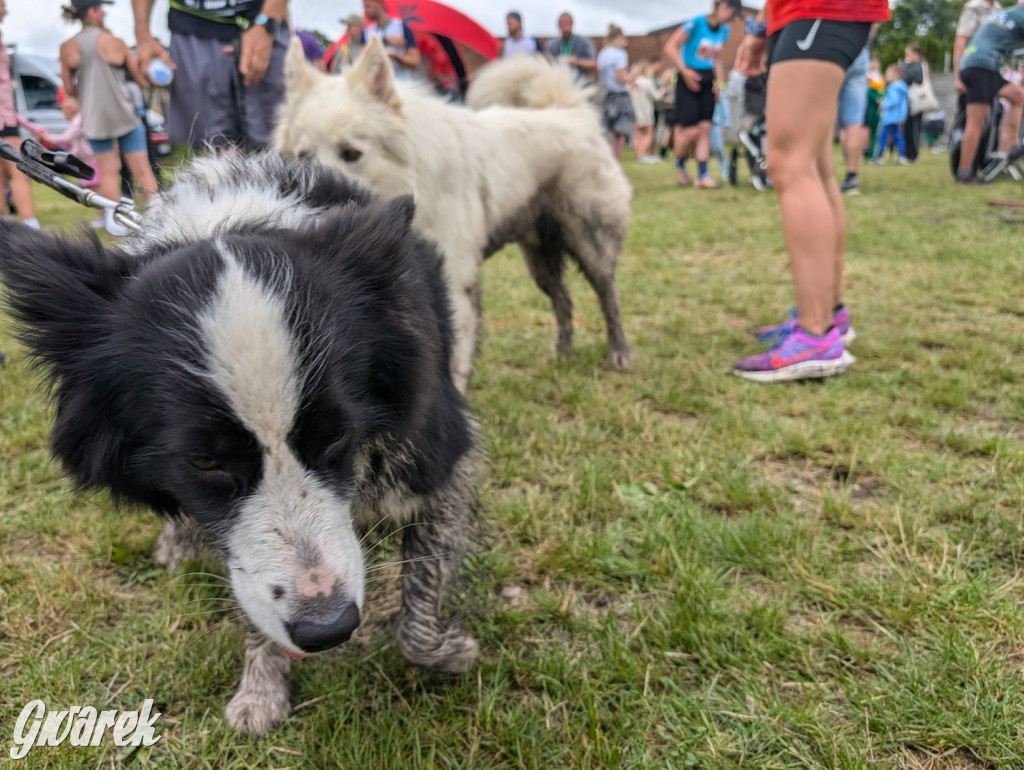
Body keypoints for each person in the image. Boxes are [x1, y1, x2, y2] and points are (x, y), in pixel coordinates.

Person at [732, 0, 890, 383]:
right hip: (813, 13)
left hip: (819, 9)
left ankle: (815, 335)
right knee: (816, 167)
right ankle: (827, 314)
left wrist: (756, 29)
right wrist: (764, 27)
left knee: (791, 163)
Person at [131, 0, 289, 152]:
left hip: (263, 21)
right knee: (216, 146)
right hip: (192, 23)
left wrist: (267, 22)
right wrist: (142, 35)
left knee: (281, 139)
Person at [61, 0, 158, 237]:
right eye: (101, 8)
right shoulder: (115, 42)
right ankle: (159, 217)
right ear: (92, 11)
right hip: (124, 115)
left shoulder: (67, 47)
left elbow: (69, 91)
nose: (103, 13)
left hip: (95, 119)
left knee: (107, 173)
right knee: (143, 171)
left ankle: (118, 224)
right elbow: (139, 79)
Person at [663, 0, 742, 189]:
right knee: (691, 131)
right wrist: (684, 71)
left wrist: (719, 83)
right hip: (688, 77)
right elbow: (670, 46)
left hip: (708, 82)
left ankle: (702, 176)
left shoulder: (724, 31)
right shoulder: (696, 23)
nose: (732, 20)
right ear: (723, 7)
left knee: (705, 129)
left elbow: (716, 58)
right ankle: (680, 161)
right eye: (732, 14)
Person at [955, 2, 1024, 184]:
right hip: (981, 66)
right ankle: (964, 172)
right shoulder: (1020, 16)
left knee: (1018, 95)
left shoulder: (1008, 13)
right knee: (976, 122)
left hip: (983, 65)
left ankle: (1011, 146)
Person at [0, 0, 39, 229]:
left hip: (6, 112)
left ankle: (4, 229)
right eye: (3, 4)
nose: (6, 9)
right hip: (3, 116)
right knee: (20, 170)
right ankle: (29, 225)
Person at [836, 24, 877, 195]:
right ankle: (851, 177)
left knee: (825, 111)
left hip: (833, 45)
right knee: (855, 121)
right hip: (860, 49)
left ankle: (818, 177)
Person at [597, 24, 634, 161]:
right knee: (621, 131)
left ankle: (605, 159)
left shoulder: (603, 53)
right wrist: (633, 75)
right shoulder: (620, 54)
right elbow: (622, 79)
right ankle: (613, 161)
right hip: (620, 97)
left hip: (607, 96)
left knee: (607, 131)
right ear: (618, 38)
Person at [362, 0, 420, 81]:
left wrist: (395, 56)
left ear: (379, 3)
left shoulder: (401, 27)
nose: (365, 11)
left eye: (368, 6)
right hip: (380, 89)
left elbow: (415, 61)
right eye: (364, 7)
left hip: (402, 86)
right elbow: (364, 63)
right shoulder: (367, 33)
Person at [954, 0, 1000, 102]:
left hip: (991, 69)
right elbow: (961, 41)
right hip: (973, 68)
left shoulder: (998, 8)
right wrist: (958, 77)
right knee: (967, 113)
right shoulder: (974, 7)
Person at [870, 65, 910, 165]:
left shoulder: (895, 88)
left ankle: (878, 157)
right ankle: (902, 156)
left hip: (890, 118)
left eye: (889, 74)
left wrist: (883, 104)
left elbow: (893, 101)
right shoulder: (900, 87)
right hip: (897, 117)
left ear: (896, 75)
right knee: (898, 137)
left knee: (882, 137)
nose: (886, 76)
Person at [545, 12, 596, 80]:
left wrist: (578, 62)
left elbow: (593, 63)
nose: (565, 26)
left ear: (572, 24)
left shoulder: (584, 42)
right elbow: (545, 64)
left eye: (567, 23)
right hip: (559, 82)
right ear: (558, 25)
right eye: (563, 23)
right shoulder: (552, 45)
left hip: (579, 83)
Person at [630, 61, 663, 163]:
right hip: (645, 111)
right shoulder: (647, 82)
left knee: (638, 134)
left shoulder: (634, 82)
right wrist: (663, 90)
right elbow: (656, 96)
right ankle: (643, 155)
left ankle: (639, 154)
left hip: (634, 111)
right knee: (649, 133)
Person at [900, 44, 925, 162]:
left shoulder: (919, 66)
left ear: (917, 54)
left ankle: (913, 155)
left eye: (909, 54)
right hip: (907, 102)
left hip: (916, 102)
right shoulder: (908, 66)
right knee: (907, 129)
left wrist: (906, 67)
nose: (907, 57)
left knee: (914, 129)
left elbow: (918, 79)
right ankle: (907, 153)